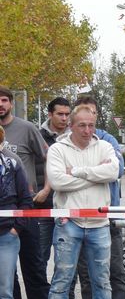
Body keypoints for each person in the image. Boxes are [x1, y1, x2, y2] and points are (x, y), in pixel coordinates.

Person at [44, 105, 123, 299]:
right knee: (62, 281)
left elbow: (113, 172)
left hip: (99, 224)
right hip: (69, 222)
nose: (88, 130)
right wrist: (95, 176)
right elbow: (57, 181)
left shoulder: (105, 146)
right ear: (71, 126)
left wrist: (78, 172)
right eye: (82, 125)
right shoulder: (58, 149)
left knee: (102, 282)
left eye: (91, 125)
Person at [68, 95, 125, 299]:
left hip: (108, 216)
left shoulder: (108, 141)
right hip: (80, 217)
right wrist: (97, 172)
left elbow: (117, 171)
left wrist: (79, 172)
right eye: (83, 117)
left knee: (114, 272)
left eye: (92, 115)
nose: (88, 123)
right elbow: (62, 177)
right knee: (87, 276)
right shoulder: (68, 144)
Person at [0, 85, 50, 299]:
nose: (0, 105)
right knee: (5, 268)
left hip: (26, 205)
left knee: (33, 261)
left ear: (11, 103)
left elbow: (49, 157)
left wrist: (47, 188)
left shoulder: (27, 128)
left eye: (4, 100)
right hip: (2, 212)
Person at [0, 125, 32, 299]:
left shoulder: (12, 164)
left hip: (6, 236)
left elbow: (26, 201)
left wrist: (15, 229)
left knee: (4, 290)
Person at [36, 97, 71, 266]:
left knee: (66, 260)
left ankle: (67, 287)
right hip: (43, 207)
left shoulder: (75, 137)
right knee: (39, 257)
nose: (64, 118)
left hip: (68, 207)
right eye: (60, 114)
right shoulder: (37, 136)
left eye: (67, 114)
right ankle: (40, 286)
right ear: (50, 114)